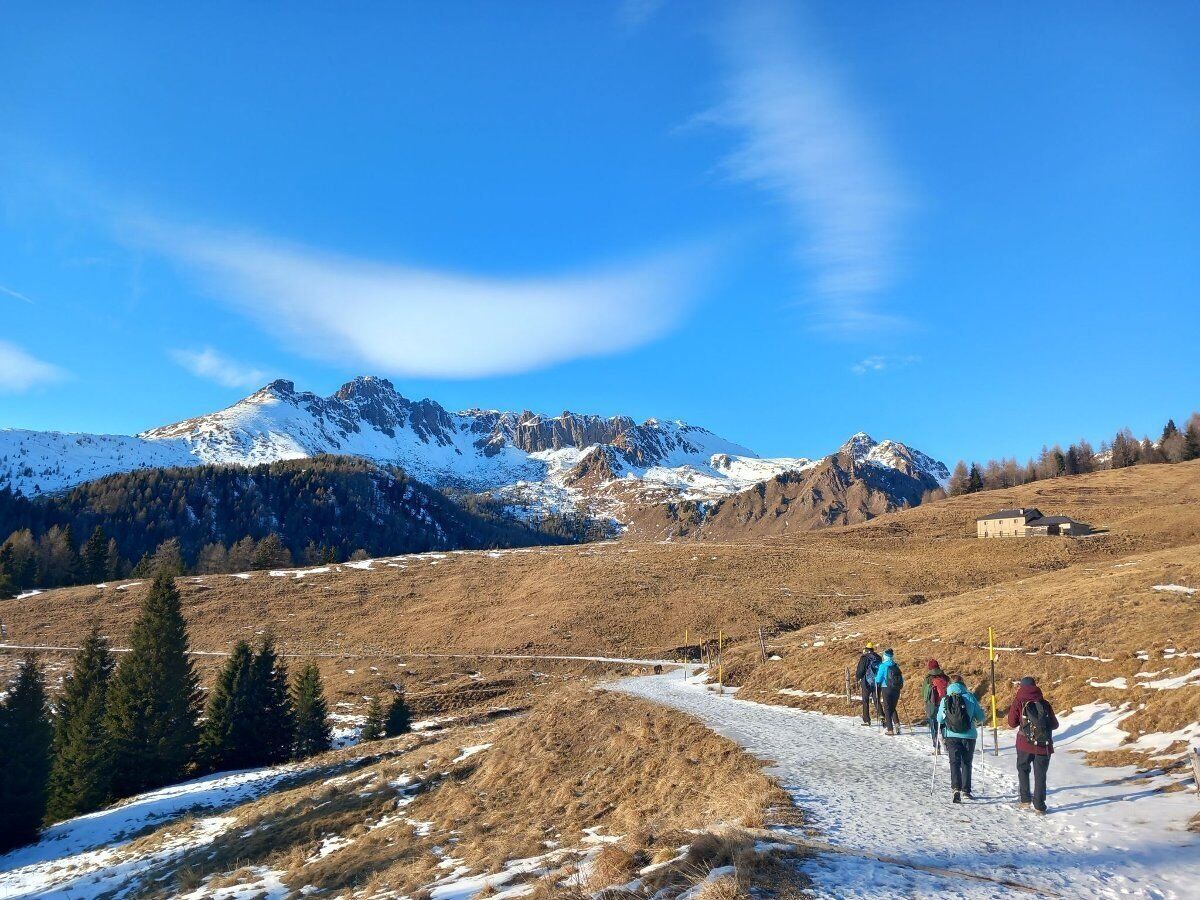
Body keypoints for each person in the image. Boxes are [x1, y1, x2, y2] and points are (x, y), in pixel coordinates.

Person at [1007, 676, 1059, 814]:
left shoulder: (1019, 701)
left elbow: (1012, 723)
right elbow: (1055, 725)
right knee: (1040, 775)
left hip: (1024, 744)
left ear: (1021, 687)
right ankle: (1039, 806)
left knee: (1023, 770)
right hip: (1043, 745)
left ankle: (1025, 800)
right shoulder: (1044, 703)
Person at [936, 675, 986, 803]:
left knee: (954, 762)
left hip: (951, 735)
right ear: (963, 684)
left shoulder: (945, 698)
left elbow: (939, 719)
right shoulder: (970, 697)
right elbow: (980, 717)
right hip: (969, 736)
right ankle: (966, 790)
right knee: (967, 763)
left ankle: (956, 789)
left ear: (950, 684)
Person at [922, 659, 950, 752]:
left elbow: (923, 693)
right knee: (944, 724)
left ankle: (936, 747)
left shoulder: (928, 679)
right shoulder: (945, 678)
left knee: (933, 726)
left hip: (932, 705)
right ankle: (946, 743)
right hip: (945, 704)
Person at [874, 649, 904, 735]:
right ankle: (897, 725)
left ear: (885, 656)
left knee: (887, 709)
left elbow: (878, 679)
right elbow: (902, 679)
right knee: (892, 707)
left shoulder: (883, 666)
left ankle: (890, 729)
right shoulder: (895, 665)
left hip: (886, 688)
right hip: (896, 689)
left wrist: (875, 679)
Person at [854, 642, 883, 726]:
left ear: (866, 649)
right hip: (877, 682)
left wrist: (858, 677)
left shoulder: (864, 657)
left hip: (866, 682)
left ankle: (867, 720)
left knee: (865, 700)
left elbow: (860, 670)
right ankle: (882, 717)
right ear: (872, 649)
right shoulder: (878, 657)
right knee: (876, 699)